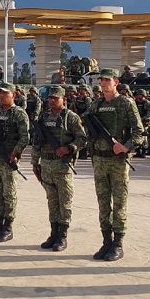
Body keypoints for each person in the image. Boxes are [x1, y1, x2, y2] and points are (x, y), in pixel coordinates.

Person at [82, 68, 144, 262]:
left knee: (119, 203)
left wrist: (125, 147)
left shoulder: (126, 103)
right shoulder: (95, 105)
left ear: (116, 82)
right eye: (101, 80)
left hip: (117, 161)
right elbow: (87, 128)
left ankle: (118, 243)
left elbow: (139, 132)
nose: (103, 83)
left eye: (107, 80)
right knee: (102, 202)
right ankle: (106, 241)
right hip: (99, 160)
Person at [31, 86, 87, 251]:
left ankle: (62, 236)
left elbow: (83, 139)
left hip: (63, 166)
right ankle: (53, 234)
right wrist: (35, 162)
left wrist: (69, 148)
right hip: (46, 165)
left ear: (64, 99)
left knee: (65, 202)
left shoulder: (71, 118)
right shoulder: (44, 117)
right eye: (50, 98)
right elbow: (37, 141)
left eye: (55, 98)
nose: (52, 100)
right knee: (52, 202)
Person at [0, 83, 30, 242]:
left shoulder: (18, 114)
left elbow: (25, 137)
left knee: (9, 194)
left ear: (13, 95)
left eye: (5, 93)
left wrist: (15, 152)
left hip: (8, 159)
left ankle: (8, 227)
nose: (1, 96)